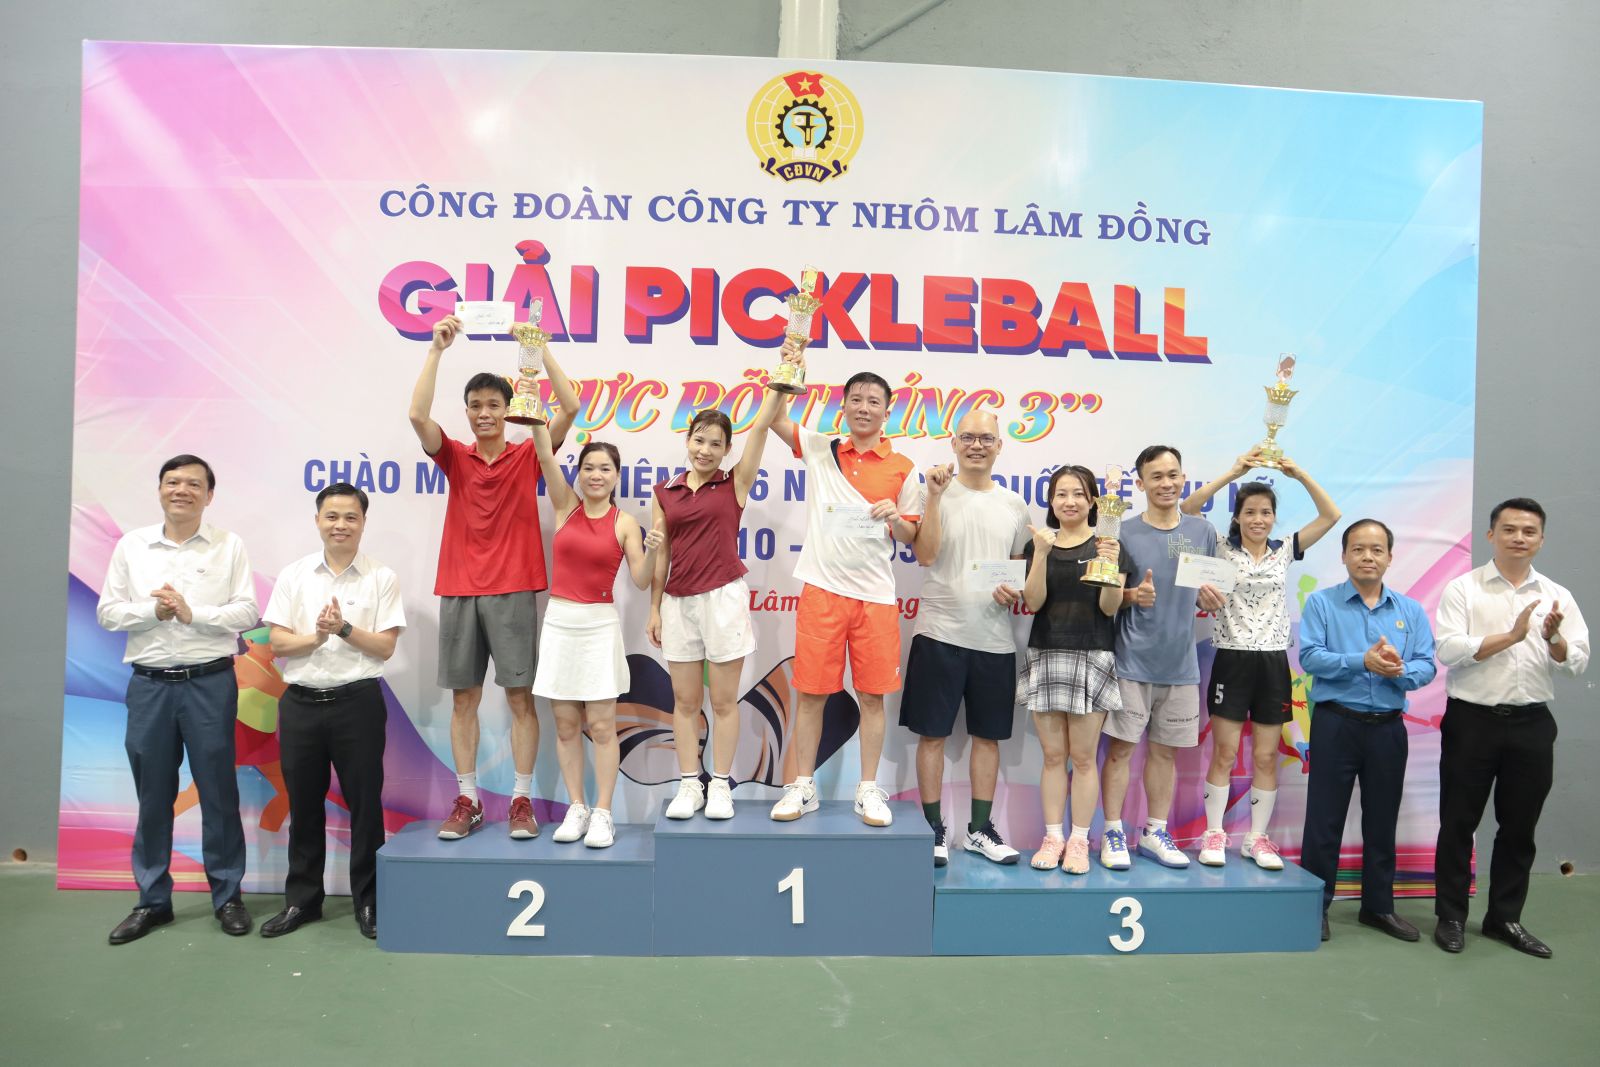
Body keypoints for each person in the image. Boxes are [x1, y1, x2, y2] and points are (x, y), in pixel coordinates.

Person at [407, 313, 580, 840]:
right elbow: (416, 415)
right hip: (459, 589)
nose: (484, 413)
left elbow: (571, 406)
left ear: (509, 410)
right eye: (476, 406)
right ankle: (469, 799)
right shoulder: (454, 457)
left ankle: (521, 800)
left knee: (520, 699)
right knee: (464, 700)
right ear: (467, 412)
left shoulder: (529, 455)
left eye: (493, 405)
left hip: (512, 590)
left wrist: (537, 347)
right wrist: (436, 349)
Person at [97, 455, 258, 944]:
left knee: (218, 793)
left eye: (193, 484)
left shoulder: (229, 545)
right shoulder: (132, 545)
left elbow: (247, 612)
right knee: (152, 796)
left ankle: (227, 896)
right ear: (160, 490)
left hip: (210, 683)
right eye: (172, 482)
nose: (181, 490)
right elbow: (108, 613)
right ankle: (152, 901)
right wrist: (154, 611)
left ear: (209, 495)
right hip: (149, 686)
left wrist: (192, 614)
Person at [765, 345, 922, 825]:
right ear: (844, 405)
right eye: (856, 399)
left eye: (874, 401)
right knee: (812, 694)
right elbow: (774, 420)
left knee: (873, 697)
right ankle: (802, 785)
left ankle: (868, 789)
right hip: (822, 591)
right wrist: (789, 368)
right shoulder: (822, 449)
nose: (864, 408)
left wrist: (896, 518)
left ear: (887, 411)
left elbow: (911, 535)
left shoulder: (903, 468)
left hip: (875, 598)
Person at [1431, 498, 1588, 958]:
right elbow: (1449, 650)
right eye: (1510, 529)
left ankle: (1504, 918)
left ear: (1541, 539)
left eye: (1529, 531)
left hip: (1532, 724)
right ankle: (1451, 917)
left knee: (1519, 827)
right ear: (1491, 535)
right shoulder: (1464, 589)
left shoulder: (1557, 595)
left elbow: (1576, 663)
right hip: (1472, 721)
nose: (1519, 537)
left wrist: (1553, 638)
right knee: (1458, 823)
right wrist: (1512, 637)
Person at [259, 483, 405, 942]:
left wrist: (342, 628)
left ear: (363, 522)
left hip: (357, 703)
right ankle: (303, 901)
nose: (340, 525)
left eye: (350, 517)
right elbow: (278, 642)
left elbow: (385, 646)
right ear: (318, 520)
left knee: (365, 806)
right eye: (332, 516)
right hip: (301, 704)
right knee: (304, 806)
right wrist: (317, 638)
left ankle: (369, 902)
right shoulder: (295, 575)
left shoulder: (381, 577)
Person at [1180, 450, 1340, 869]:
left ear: (1273, 518)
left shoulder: (1285, 550)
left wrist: (1298, 472)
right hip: (1232, 659)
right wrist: (1235, 471)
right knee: (1225, 752)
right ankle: (1214, 833)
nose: (1258, 519)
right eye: (1249, 512)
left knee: (1267, 756)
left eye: (1266, 512)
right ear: (1237, 517)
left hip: (1272, 662)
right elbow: (1189, 508)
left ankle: (1256, 838)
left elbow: (1331, 515)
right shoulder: (1219, 546)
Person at [648, 387, 783, 821]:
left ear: (727, 451)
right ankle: (690, 783)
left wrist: (778, 385)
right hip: (678, 603)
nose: (705, 450)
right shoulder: (664, 492)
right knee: (685, 702)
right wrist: (654, 608)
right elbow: (662, 555)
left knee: (724, 702)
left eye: (715, 443)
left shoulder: (735, 484)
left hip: (724, 599)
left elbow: (760, 428)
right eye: (699, 440)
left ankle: (721, 785)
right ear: (687, 440)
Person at [1298, 519, 1436, 942]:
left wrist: (1399, 671)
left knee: (1382, 820)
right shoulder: (1322, 604)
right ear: (1343, 555)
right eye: (1358, 549)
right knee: (1324, 821)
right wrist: (1363, 661)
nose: (1367, 557)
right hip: (1336, 723)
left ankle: (1378, 907)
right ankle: (1315, 907)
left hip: (1387, 729)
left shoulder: (1410, 610)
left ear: (1390, 557)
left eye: (1377, 550)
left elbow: (1427, 665)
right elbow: (1310, 657)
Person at [902, 411, 1030, 866]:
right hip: (939, 632)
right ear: (954, 443)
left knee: (988, 738)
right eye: (969, 437)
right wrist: (936, 497)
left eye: (986, 438)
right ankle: (932, 830)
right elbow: (925, 554)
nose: (977, 445)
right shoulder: (931, 491)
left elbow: (1016, 568)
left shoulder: (1015, 505)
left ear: (1000, 446)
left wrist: (1013, 589)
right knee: (932, 736)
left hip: (994, 639)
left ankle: (979, 830)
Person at [531, 424, 660, 848]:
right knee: (566, 726)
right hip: (560, 623)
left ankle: (603, 812)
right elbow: (545, 454)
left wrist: (654, 548)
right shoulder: (565, 506)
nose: (596, 475)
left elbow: (641, 580)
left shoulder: (625, 523)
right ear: (579, 473)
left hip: (599, 627)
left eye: (605, 468)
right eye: (588, 467)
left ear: (617, 476)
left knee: (603, 727)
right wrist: (534, 413)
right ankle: (577, 807)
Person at [1100, 445, 1219, 869]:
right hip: (1132, 661)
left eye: (1173, 475)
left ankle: (1154, 831)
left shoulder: (1203, 532)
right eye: (1156, 476)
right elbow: (1107, 601)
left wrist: (1211, 597)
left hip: (1181, 666)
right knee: (1120, 752)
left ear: (1183, 478)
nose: (1166, 483)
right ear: (1140, 483)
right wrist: (1133, 595)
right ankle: (1113, 831)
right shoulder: (1122, 532)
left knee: (1166, 754)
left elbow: (1210, 593)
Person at [1022, 466, 1130, 875]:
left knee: (1083, 759)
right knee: (1053, 757)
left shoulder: (1109, 544)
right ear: (1051, 501)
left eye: (1079, 494)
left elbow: (1109, 608)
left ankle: (1080, 840)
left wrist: (1109, 566)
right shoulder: (1039, 544)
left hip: (1093, 654)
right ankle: (1053, 837)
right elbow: (1033, 603)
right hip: (1046, 652)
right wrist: (1041, 554)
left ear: (1093, 501)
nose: (1069, 501)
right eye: (1061, 494)